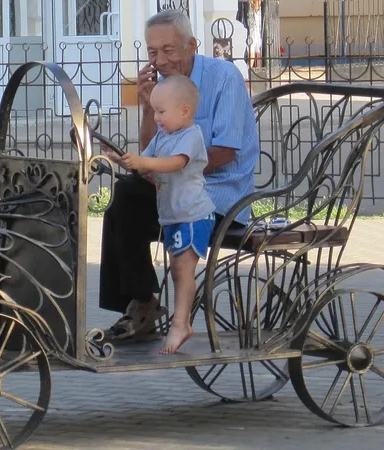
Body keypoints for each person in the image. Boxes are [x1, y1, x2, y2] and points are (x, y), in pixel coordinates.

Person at [98, 9, 259, 342]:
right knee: (122, 201)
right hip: (179, 189)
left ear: (192, 45)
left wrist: (165, 169)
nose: (161, 60)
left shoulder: (223, 76)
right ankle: (142, 301)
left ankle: (142, 304)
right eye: (153, 52)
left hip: (219, 195)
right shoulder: (166, 88)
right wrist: (146, 107)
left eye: (169, 50)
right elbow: (151, 150)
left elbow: (226, 152)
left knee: (129, 196)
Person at [121, 74, 215, 354]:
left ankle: (180, 324)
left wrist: (144, 161)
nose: (157, 118)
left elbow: (174, 164)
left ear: (184, 111)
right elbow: (146, 166)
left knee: (183, 271)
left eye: (161, 112)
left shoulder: (191, 136)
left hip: (193, 215)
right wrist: (122, 159)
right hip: (174, 216)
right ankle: (180, 321)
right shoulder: (164, 136)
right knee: (176, 272)